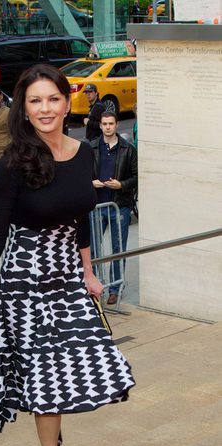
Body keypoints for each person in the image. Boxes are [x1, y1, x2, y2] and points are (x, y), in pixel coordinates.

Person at [0, 64, 135, 446]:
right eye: (35, 101)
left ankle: (51, 445)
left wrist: (89, 271)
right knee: (45, 377)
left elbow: (79, 221)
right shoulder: (12, 164)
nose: (45, 108)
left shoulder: (84, 153)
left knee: (85, 366)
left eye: (53, 99)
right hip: (26, 280)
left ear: (66, 101)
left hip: (68, 275)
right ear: (24, 107)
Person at [90, 111, 138, 305]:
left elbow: (136, 177)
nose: (108, 127)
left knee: (118, 249)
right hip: (96, 205)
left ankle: (115, 288)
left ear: (117, 125)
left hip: (119, 206)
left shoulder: (128, 149)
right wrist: (90, 182)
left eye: (111, 123)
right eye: (104, 124)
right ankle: (93, 287)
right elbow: (82, 173)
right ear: (100, 126)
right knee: (93, 249)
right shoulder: (91, 147)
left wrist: (122, 185)